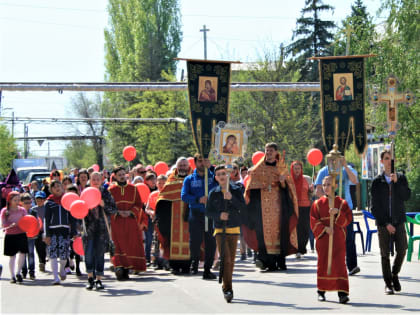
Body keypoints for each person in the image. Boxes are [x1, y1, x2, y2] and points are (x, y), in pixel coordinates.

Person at [243, 143, 299, 271]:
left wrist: (282, 181)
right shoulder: (258, 167)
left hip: (279, 206)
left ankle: (279, 260)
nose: (268, 153)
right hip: (262, 207)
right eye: (266, 151)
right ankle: (266, 262)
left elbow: (288, 188)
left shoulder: (281, 167)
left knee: (280, 232)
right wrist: (259, 185)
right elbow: (250, 186)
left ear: (276, 153)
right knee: (263, 232)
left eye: (270, 151)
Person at [371, 149, 411, 294]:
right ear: (382, 161)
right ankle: (388, 283)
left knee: (402, 249)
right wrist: (385, 223)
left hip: (398, 220)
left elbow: (406, 196)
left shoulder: (401, 178)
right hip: (383, 223)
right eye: (386, 159)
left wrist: (397, 183)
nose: (389, 162)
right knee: (384, 254)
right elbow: (374, 207)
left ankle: (394, 274)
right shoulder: (377, 181)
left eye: (391, 159)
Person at [315, 156, 361, 276]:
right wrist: (327, 203)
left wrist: (345, 166)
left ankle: (352, 266)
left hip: (345, 209)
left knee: (349, 238)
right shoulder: (323, 171)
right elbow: (318, 190)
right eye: (333, 159)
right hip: (329, 211)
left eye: (338, 159)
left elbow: (355, 181)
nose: (335, 162)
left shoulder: (347, 169)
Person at [206, 165, 246, 303]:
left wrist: (231, 199)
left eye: (224, 173)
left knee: (231, 261)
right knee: (226, 259)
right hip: (219, 230)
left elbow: (243, 207)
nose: (222, 176)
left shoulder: (236, 189)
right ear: (216, 177)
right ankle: (228, 289)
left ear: (228, 175)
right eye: (219, 174)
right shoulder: (213, 193)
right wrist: (219, 215)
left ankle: (226, 285)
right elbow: (208, 212)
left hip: (233, 228)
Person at [311, 176, 352, 304]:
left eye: (329, 184)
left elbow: (348, 219)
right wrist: (324, 228)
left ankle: (342, 293)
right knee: (323, 264)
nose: (326, 187)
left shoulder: (342, 203)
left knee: (339, 264)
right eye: (324, 185)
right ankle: (321, 291)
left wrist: (338, 213)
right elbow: (313, 220)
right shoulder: (317, 204)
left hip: (338, 237)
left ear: (335, 186)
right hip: (324, 238)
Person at [181, 153, 218, 279]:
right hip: (196, 214)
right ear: (195, 163)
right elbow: (184, 196)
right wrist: (198, 199)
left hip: (210, 213)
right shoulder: (189, 179)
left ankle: (207, 269)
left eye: (205, 161)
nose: (203, 163)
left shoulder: (214, 177)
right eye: (200, 161)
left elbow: (221, 189)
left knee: (211, 242)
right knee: (195, 242)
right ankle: (194, 263)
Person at [108, 166, 148, 280]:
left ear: (126, 175)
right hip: (117, 222)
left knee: (131, 244)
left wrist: (130, 212)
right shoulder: (110, 190)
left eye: (123, 174)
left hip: (130, 221)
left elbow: (139, 204)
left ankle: (130, 267)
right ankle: (120, 267)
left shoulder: (133, 188)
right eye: (119, 175)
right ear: (115, 176)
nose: (121, 176)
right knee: (118, 244)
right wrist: (117, 212)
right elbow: (108, 206)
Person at [155, 158, 192, 274]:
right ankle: (174, 266)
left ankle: (187, 265)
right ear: (177, 167)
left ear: (188, 166)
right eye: (180, 165)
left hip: (190, 215)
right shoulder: (171, 179)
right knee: (172, 239)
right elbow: (163, 197)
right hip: (173, 217)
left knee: (190, 239)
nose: (182, 167)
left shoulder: (193, 179)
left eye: (184, 165)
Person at [83, 172, 117, 290]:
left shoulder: (105, 193)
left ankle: (99, 279)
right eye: (93, 179)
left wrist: (103, 204)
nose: (96, 181)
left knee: (99, 254)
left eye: (98, 179)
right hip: (88, 228)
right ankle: (90, 278)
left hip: (102, 228)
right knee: (88, 254)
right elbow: (78, 210)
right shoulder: (85, 193)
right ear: (90, 180)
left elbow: (113, 210)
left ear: (102, 180)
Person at [44, 180, 77, 285]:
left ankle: (62, 268)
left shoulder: (67, 200)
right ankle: (55, 277)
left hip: (64, 231)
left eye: (59, 186)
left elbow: (72, 218)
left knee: (64, 255)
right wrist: (47, 234)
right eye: (54, 187)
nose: (57, 188)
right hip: (52, 231)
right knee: (52, 254)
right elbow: (46, 219)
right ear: (51, 190)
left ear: (63, 187)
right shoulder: (49, 202)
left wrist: (74, 231)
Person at [1, 191, 28, 284]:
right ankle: (12, 275)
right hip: (11, 235)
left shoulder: (22, 210)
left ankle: (18, 272)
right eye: (15, 200)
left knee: (23, 254)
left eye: (18, 199)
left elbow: (27, 220)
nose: (17, 201)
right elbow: (3, 223)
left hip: (21, 234)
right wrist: (10, 225)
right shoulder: (5, 211)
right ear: (9, 200)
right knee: (12, 256)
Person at [291, 161, 313, 258]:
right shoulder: (289, 180)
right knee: (295, 228)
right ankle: (296, 249)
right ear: (292, 169)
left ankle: (302, 248)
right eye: (295, 168)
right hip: (293, 207)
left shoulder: (307, 179)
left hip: (305, 206)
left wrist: (312, 190)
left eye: (299, 168)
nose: (297, 170)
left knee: (304, 228)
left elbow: (312, 194)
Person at [30, 191, 47, 273]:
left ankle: (43, 261)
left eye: (41, 199)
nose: (39, 201)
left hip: (45, 231)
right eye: (37, 199)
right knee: (38, 247)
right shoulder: (33, 209)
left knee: (44, 247)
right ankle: (41, 261)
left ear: (44, 200)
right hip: (36, 231)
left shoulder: (47, 208)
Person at [20, 193, 35, 279]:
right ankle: (24, 271)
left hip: (31, 236)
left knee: (31, 253)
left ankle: (32, 272)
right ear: (21, 203)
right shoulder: (19, 212)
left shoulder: (33, 212)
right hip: (21, 236)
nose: (28, 204)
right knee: (22, 254)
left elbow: (37, 223)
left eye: (29, 202)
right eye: (26, 203)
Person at [144, 172, 158, 266]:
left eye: (154, 179)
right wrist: (150, 212)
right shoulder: (145, 190)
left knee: (157, 239)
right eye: (151, 179)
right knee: (149, 238)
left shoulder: (159, 190)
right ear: (147, 181)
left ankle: (157, 259)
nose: (153, 181)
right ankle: (147, 258)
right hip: (147, 217)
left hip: (159, 217)